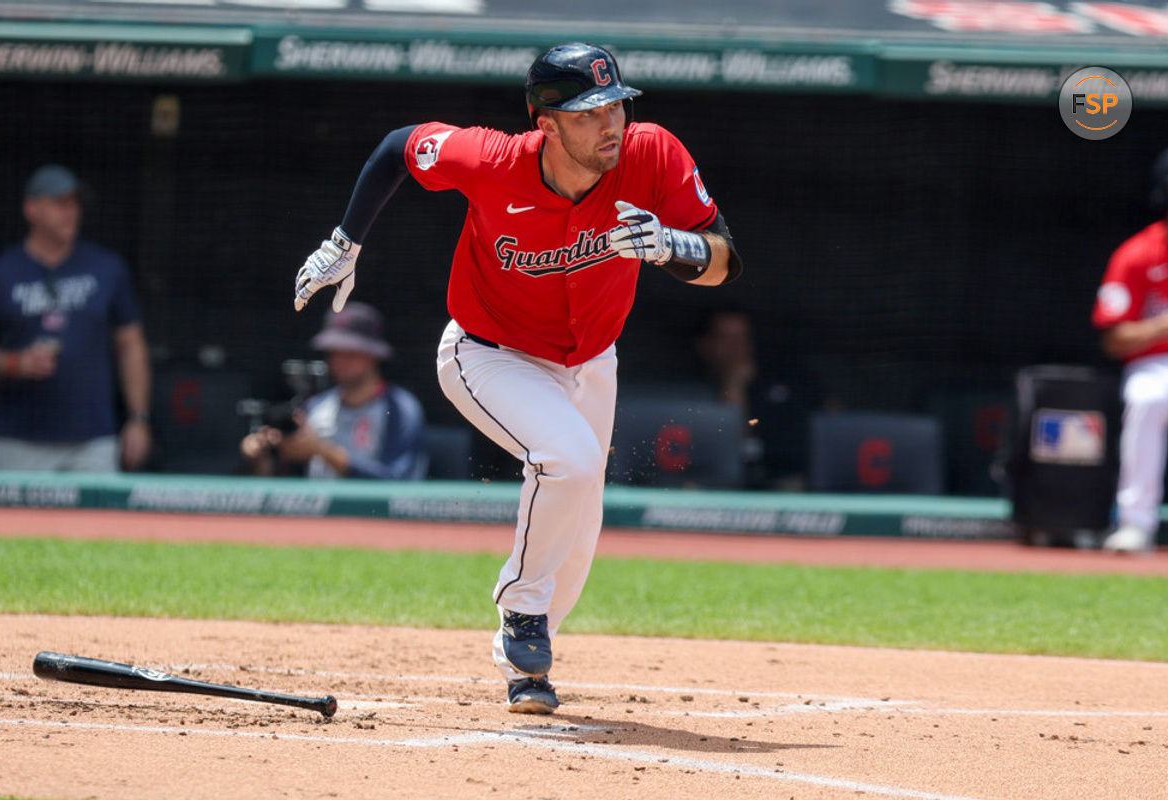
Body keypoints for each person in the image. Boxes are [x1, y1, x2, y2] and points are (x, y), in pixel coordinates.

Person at [293, 43, 742, 713]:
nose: (611, 124)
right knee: (569, 460)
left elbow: (726, 258)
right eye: (590, 113)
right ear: (546, 122)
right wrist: (344, 241)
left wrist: (675, 248)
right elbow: (397, 147)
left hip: (591, 361)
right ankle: (521, 610)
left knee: (580, 534)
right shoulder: (492, 159)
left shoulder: (653, 154)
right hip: (487, 353)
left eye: (616, 105)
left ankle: (525, 666)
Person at [0, 164, 151, 472]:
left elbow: (131, 345)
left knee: (100, 520)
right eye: (59, 203)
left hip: (92, 441)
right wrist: (14, 363)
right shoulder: (0, 274)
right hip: (17, 441)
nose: (70, 212)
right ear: (32, 209)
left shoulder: (106, 268)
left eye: (74, 204)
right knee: (14, 523)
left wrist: (138, 419)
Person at [1092, 142, 1168, 554]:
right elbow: (1112, 340)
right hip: (1158, 365)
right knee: (1146, 399)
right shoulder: (1137, 254)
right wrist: (1155, 329)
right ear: (1167, 194)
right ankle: (1136, 523)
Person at [241, 301, 427, 480]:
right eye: (334, 352)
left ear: (373, 354)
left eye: (350, 352)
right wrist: (262, 457)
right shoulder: (315, 406)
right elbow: (287, 484)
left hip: (371, 512)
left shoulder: (400, 408)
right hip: (315, 510)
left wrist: (324, 451)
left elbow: (399, 481)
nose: (339, 361)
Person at [693, 307, 809, 490]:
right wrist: (733, 387)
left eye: (741, 339)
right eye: (725, 338)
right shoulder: (688, 390)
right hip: (709, 485)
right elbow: (722, 447)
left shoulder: (778, 387)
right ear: (704, 344)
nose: (735, 348)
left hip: (775, 481)